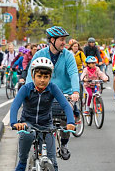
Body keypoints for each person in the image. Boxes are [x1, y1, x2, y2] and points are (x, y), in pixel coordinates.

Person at [10, 57, 76, 171]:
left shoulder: (53, 88)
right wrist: (14, 122)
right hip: (28, 123)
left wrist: (71, 121)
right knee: (26, 135)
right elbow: (15, 105)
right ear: (33, 76)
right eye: (39, 76)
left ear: (50, 77)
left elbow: (66, 105)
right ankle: (22, 162)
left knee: (52, 163)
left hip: (47, 125)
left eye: (46, 77)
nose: (42, 80)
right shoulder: (26, 89)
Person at [26, 26, 80, 160]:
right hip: (43, 93)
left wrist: (75, 91)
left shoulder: (68, 56)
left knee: (66, 116)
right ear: (52, 40)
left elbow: (73, 73)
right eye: (61, 40)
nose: (64, 43)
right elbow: (30, 74)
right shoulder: (39, 54)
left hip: (64, 93)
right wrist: (28, 91)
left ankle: (64, 144)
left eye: (64, 40)